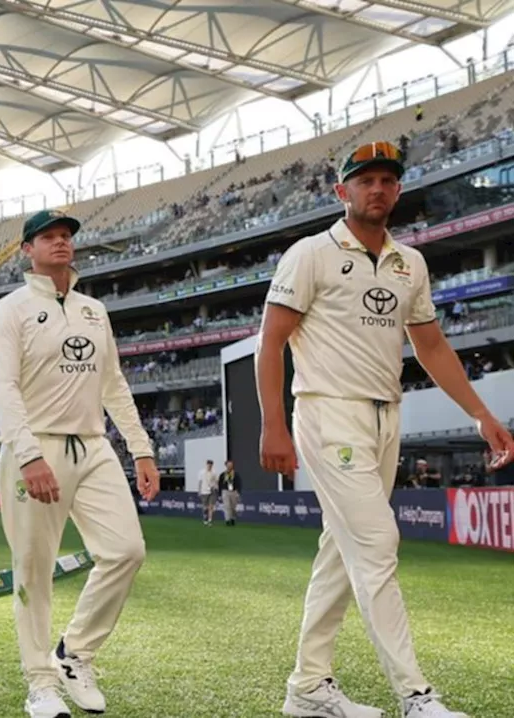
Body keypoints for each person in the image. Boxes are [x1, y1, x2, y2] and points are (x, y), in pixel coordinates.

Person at [258, 140, 515, 718]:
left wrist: (480, 413)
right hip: (327, 411)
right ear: (341, 191)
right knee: (377, 545)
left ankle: (307, 687)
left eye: (387, 181)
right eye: (364, 180)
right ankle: (415, 697)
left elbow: (430, 346)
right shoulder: (311, 253)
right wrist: (273, 424)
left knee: (339, 552)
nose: (377, 189)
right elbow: (271, 341)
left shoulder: (410, 263)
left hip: (384, 417)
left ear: (398, 191)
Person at [0, 210, 161, 718]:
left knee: (126, 550)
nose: (60, 243)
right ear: (27, 249)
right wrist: (29, 453)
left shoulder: (93, 311)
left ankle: (74, 654)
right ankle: (39, 684)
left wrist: (141, 448)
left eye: (66, 237)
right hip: (34, 447)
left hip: (93, 444)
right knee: (33, 570)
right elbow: (5, 389)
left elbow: (114, 385)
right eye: (48, 237)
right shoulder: (9, 310)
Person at [218, 459, 241, 526]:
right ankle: (227, 520)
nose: (230, 466)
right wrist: (220, 494)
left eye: (231, 465)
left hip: (233, 491)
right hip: (225, 491)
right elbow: (220, 484)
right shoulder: (223, 474)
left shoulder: (235, 474)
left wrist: (238, 492)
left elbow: (239, 483)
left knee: (233, 507)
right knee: (227, 506)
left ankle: (233, 518)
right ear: (226, 465)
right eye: (228, 465)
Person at [198, 459, 218, 526]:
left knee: (211, 506)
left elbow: (216, 481)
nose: (210, 466)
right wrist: (199, 491)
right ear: (207, 464)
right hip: (204, 491)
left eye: (211, 465)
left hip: (212, 491)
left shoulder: (214, 472)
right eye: (209, 465)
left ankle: (210, 520)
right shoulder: (202, 472)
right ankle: (205, 518)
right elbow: (200, 482)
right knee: (205, 507)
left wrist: (215, 488)